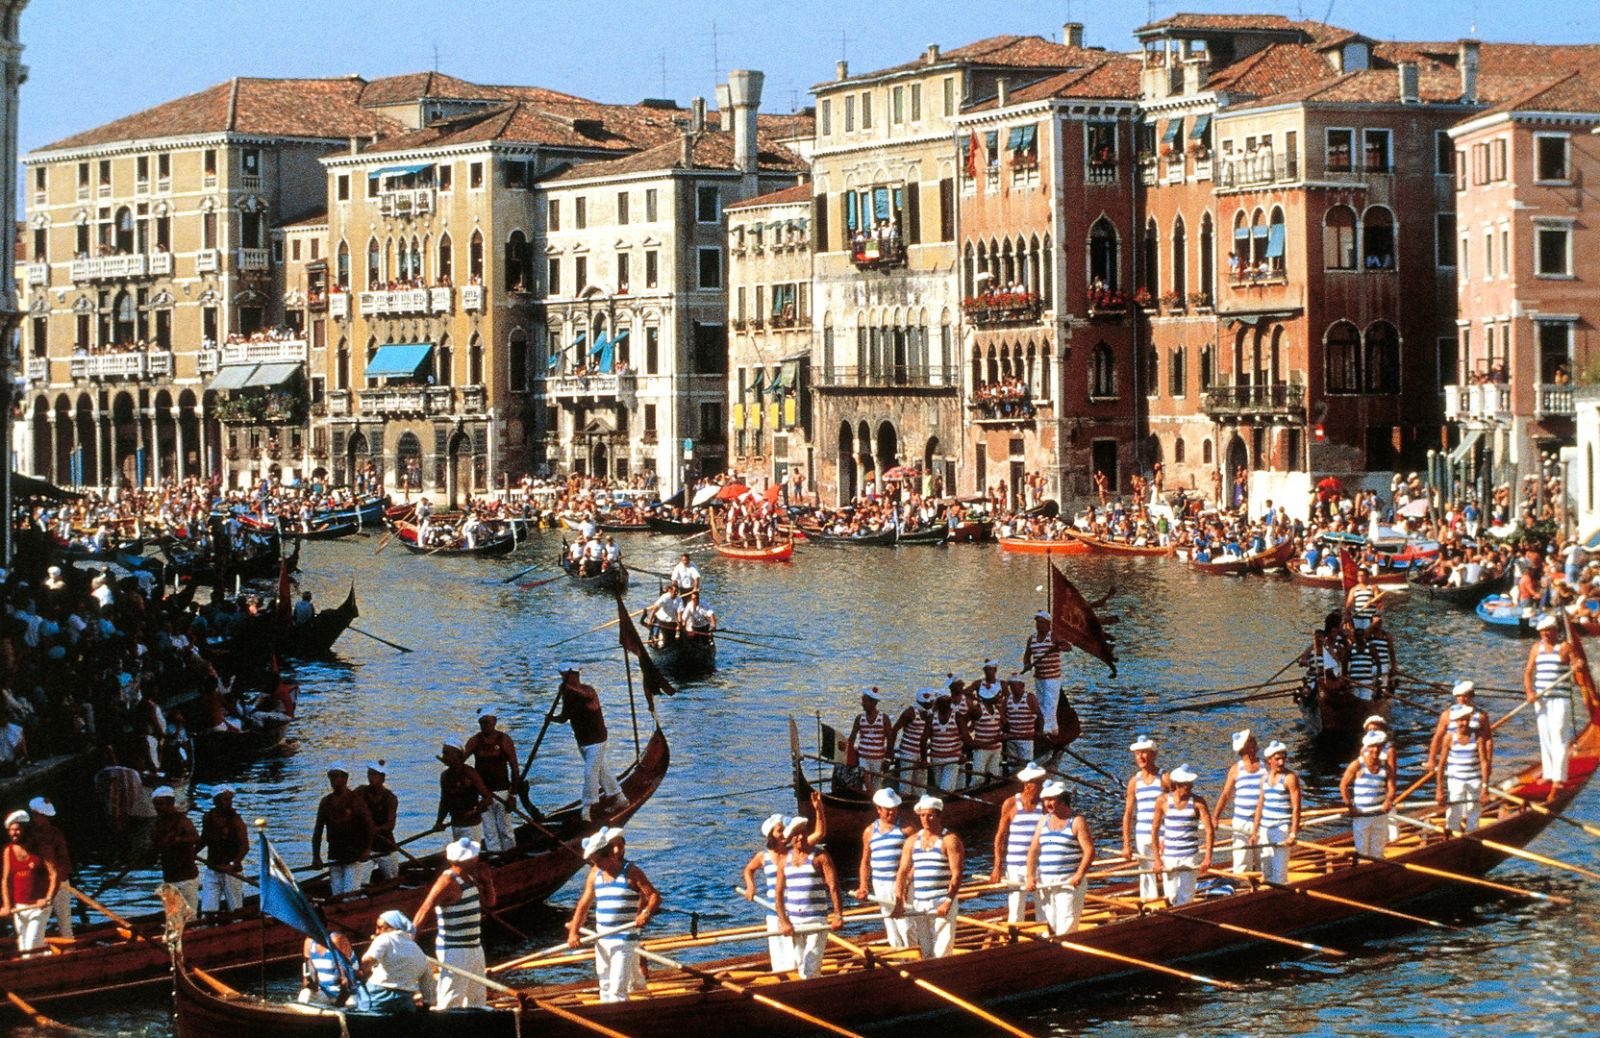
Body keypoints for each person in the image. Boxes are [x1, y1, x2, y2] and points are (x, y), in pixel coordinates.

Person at [567, 827, 659, 1002]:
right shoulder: (595, 874)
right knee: (606, 987)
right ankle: (637, 1002)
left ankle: (622, 1020)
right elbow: (583, 906)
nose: (596, 865)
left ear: (610, 854)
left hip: (624, 940)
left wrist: (646, 913)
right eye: (593, 862)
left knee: (617, 990)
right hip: (602, 939)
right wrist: (573, 932)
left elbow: (654, 896)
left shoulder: (632, 872)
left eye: (598, 861)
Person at [412, 838, 495, 1009]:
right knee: (451, 998)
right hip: (455, 949)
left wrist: (487, 882)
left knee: (477, 997)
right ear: (465, 860)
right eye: (474, 856)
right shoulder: (448, 882)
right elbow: (425, 910)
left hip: (474, 946)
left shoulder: (470, 877)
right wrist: (409, 940)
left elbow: (490, 903)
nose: (478, 858)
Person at [893, 795, 964, 960]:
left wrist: (948, 901)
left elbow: (957, 874)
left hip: (942, 903)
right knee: (926, 952)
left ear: (939, 815)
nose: (925, 819)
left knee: (942, 953)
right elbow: (902, 873)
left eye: (930, 815)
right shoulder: (912, 841)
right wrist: (899, 901)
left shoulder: (950, 840)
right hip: (920, 904)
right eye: (922, 815)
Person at [773, 816, 844, 980]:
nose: (800, 837)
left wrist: (838, 915)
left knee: (810, 966)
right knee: (800, 964)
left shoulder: (820, 856)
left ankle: (811, 993)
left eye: (803, 833)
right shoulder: (785, 860)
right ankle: (813, 989)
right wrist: (784, 921)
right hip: (795, 922)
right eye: (796, 834)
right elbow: (778, 893)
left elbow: (833, 887)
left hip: (816, 921)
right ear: (791, 838)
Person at [553, 664, 625, 817]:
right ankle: (620, 797)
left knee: (589, 772)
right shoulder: (568, 696)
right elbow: (564, 716)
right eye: (562, 677)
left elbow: (587, 697)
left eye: (565, 676)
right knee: (601, 771)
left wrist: (569, 689)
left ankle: (587, 807)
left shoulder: (588, 690)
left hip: (597, 740)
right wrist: (551, 719)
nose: (563, 679)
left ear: (574, 676)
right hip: (583, 741)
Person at [1025, 781, 1093, 935]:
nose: (1047, 803)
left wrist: (1079, 874)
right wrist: (1030, 876)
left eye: (1051, 799)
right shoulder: (1043, 821)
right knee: (1051, 928)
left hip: (1069, 885)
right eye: (1045, 800)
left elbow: (1089, 851)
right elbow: (1033, 851)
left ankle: (1064, 956)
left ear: (1063, 800)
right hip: (1046, 885)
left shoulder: (1077, 822)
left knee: (1066, 930)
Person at [853, 788, 913, 948]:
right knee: (891, 927)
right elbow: (865, 862)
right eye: (888, 809)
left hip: (902, 883)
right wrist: (863, 886)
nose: (892, 813)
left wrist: (908, 881)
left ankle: (915, 957)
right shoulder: (869, 832)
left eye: (894, 809)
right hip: (880, 885)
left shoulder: (907, 829)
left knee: (906, 926)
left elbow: (916, 859)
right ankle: (900, 959)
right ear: (878, 809)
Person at [1523, 615, 1575, 801]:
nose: (1545, 634)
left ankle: (1559, 779)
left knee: (1559, 736)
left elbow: (1577, 666)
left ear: (1555, 630)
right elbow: (1528, 672)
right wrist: (1529, 692)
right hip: (1541, 700)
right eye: (1542, 631)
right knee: (1545, 736)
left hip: (1560, 699)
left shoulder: (1565, 647)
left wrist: (1578, 665)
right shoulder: (1536, 648)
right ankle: (1548, 773)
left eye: (1548, 630)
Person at [990, 763, 1048, 922]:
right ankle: (1014, 939)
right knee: (1015, 909)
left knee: (1043, 907)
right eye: (1038, 783)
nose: (1042, 786)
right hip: (1015, 865)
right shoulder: (1010, 804)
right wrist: (997, 866)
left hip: (1039, 863)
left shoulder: (1045, 805)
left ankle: (1044, 937)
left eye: (1041, 782)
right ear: (1028, 785)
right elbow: (1000, 836)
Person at [1150, 765, 1213, 907]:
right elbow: (1154, 831)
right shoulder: (1162, 801)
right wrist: (1157, 860)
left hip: (1189, 857)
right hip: (1170, 856)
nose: (1190, 786)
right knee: (1171, 896)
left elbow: (1209, 830)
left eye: (1190, 783)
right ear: (1177, 785)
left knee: (1186, 898)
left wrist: (1207, 858)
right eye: (1186, 784)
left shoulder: (1198, 803)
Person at [312, 764, 375, 896]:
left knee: (351, 895)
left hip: (354, 855)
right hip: (334, 855)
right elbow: (318, 831)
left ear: (345, 778)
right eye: (331, 777)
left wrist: (367, 849)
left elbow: (369, 826)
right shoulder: (325, 802)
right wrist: (316, 857)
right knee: (337, 895)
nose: (333, 781)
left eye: (336, 776)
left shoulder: (356, 800)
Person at [2, 811, 59, 955]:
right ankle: (46, 959)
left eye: (17, 830)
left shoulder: (41, 848)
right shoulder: (8, 852)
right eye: (11, 830)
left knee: (30, 947)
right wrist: (7, 905)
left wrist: (47, 899)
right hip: (20, 908)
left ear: (25, 829)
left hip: (39, 907)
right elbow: (6, 880)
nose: (13, 833)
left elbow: (54, 875)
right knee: (23, 948)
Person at [464, 706, 520, 855]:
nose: (484, 725)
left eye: (487, 722)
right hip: (484, 794)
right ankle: (495, 858)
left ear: (494, 721)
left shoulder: (504, 740)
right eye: (482, 722)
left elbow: (514, 768)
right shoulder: (475, 741)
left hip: (502, 793)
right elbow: (460, 762)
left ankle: (511, 856)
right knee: (489, 832)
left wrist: (513, 795)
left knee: (506, 830)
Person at [356, 911, 433, 1013]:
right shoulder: (418, 951)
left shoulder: (384, 939)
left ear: (392, 927)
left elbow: (368, 960)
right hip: (405, 1004)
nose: (376, 932)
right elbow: (427, 982)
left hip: (378, 998)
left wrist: (360, 973)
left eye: (379, 927)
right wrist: (426, 1006)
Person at [1120, 736, 1167, 901]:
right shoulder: (1134, 782)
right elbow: (1128, 814)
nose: (1140, 757)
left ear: (1153, 755)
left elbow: (1173, 810)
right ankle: (1149, 904)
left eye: (1144, 753)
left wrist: (1167, 838)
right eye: (1137, 754)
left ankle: (1172, 902)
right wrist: (1126, 844)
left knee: (1166, 871)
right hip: (1142, 835)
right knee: (1146, 875)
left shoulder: (1164, 778)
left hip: (1162, 834)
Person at [1214, 729, 1263, 876]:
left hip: (1263, 821)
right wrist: (1215, 816)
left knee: (1265, 859)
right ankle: (1243, 888)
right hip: (1242, 822)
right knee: (1242, 861)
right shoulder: (1236, 770)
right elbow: (1225, 795)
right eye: (1251, 741)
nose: (1255, 742)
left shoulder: (1265, 766)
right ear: (1246, 748)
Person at [1250, 742, 1300, 885]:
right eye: (1277, 759)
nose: (1281, 762)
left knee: (1279, 874)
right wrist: (1254, 832)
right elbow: (1260, 806)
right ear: (1269, 761)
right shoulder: (1264, 779)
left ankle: (1279, 897)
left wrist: (1293, 834)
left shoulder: (1290, 778)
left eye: (1283, 758)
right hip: (1265, 829)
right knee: (1266, 871)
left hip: (1282, 830)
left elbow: (1296, 808)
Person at [1341, 730, 1395, 858]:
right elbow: (1343, 786)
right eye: (1372, 747)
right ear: (1366, 747)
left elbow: (1392, 788)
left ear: (1382, 747)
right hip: (1361, 815)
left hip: (1380, 815)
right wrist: (1350, 806)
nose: (1375, 750)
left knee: (1378, 852)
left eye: (1378, 746)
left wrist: (1388, 801)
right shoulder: (1357, 765)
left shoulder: (1386, 767)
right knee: (1362, 852)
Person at [1437, 704, 1489, 831]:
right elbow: (1442, 764)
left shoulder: (1477, 737)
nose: (1464, 723)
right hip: (1456, 781)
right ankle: (1452, 835)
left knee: (1474, 813)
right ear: (1456, 721)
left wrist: (1485, 788)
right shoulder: (1449, 738)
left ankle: (1471, 833)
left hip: (1475, 780)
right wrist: (1439, 789)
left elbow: (1483, 762)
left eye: (1467, 720)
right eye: (1461, 720)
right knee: (1454, 812)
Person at [26, 797, 72, 939]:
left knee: (64, 920)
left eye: (37, 815)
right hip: (40, 884)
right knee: (38, 921)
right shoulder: (30, 835)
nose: (35, 818)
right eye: (34, 815)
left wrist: (57, 878)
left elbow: (64, 861)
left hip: (60, 883)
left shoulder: (55, 834)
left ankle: (70, 949)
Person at [199, 786, 249, 915]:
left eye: (230, 800)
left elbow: (244, 845)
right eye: (225, 799)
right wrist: (191, 852)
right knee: (208, 909)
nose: (228, 803)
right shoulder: (207, 818)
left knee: (236, 909)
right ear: (215, 801)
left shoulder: (236, 820)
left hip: (231, 872)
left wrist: (234, 863)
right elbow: (204, 839)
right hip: (213, 869)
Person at [1426, 681, 1493, 774]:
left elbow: (1488, 740)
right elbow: (1438, 737)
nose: (1462, 699)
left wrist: (1488, 762)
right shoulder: (1447, 715)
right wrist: (1431, 759)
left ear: (1471, 696)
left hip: (1475, 763)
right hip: (1455, 764)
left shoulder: (1481, 716)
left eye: (1465, 696)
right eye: (1459, 696)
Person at [1021, 609, 1067, 744]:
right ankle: (1053, 728)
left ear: (1048, 624)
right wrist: (1027, 664)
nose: (1038, 625)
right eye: (1037, 622)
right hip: (1039, 676)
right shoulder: (1032, 638)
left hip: (1052, 677)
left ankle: (1046, 729)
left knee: (1050, 702)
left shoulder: (1053, 636)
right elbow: (1027, 655)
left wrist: (1057, 647)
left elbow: (1067, 647)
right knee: (1041, 703)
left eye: (1041, 622)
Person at [152, 786, 201, 911]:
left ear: (170, 803)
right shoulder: (157, 825)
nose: (157, 808)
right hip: (169, 877)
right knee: (174, 917)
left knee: (189, 916)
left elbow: (195, 838)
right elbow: (155, 847)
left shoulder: (183, 821)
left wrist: (179, 840)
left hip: (187, 878)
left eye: (160, 804)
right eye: (155, 804)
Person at [435, 743, 493, 845]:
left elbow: (488, 798)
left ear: (457, 755)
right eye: (444, 754)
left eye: (447, 754)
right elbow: (444, 801)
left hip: (471, 826)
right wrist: (439, 822)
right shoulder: (445, 776)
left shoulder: (470, 773)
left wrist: (476, 810)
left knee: (470, 857)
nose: (444, 757)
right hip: (456, 825)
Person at [358, 761, 401, 884]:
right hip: (367, 848)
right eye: (370, 774)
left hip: (385, 847)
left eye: (375, 775)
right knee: (361, 882)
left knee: (392, 880)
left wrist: (372, 829)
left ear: (382, 778)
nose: (371, 778)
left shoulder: (390, 798)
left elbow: (390, 825)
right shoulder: (361, 792)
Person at [846, 688, 895, 787]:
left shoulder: (884, 718)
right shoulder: (859, 718)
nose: (862, 704)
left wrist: (887, 759)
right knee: (866, 783)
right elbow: (852, 738)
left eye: (865, 701)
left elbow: (890, 739)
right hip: (863, 758)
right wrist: (847, 753)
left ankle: (873, 800)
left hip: (878, 759)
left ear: (873, 703)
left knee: (876, 785)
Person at [299, 928, 358, 1006]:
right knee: (305, 994)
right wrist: (309, 982)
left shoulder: (337, 940)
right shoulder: (309, 942)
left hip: (346, 994)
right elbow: (308, 975)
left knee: (350, 1004)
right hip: (325, 993)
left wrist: (339, 1004)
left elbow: (349, 979)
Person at [893, 689, 934, 793]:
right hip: (908, 753)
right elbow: (894, 730)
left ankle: (919, 803)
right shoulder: (910, 712)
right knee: (905, 783)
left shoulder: (930, 714)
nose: (931, 704)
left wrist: (924, 758)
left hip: (923, 753)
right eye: (929, 703)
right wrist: (890, 751)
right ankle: (904, 801)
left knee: (921, 784)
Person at [923, 689, 964, 792]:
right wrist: (924, 759)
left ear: (950, 703)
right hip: (936, 759)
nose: (943, 705)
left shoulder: (957, 717)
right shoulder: (931, 718)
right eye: (941, 702)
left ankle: (945, 804)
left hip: (953, 759)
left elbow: (966, 738)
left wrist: (963, 754)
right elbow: (923, 740)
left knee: (946, 789)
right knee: (938, 787)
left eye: (946, 702)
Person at [1000, 675, 1043, 773]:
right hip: (1012, 739)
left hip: (1026, 740)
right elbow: (1001, 715)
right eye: (1011, 686)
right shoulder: (1007, 699)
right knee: (1012, 767)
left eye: (1015, 686)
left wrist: (1040, 732)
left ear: (1022, 685)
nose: (1012, 688)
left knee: (1026, 767)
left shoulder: (1030, 698)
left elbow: (1039, 716)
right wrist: (1003, 731)